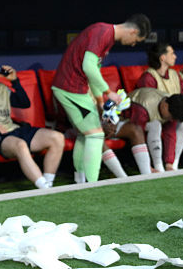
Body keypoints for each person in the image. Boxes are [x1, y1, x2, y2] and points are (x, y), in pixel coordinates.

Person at [51, 14, 150, 183]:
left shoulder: (107, 37)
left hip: (76, 88)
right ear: (133, 32)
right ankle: (93, 186)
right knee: (96, 135)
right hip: (70, 88)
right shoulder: (102, 32)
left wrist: (99, 100)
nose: (133, 44)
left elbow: (94, 69)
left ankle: (80, 181)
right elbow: (88, 67)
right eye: (136, 40)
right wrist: (108, 91)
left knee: (86, 134)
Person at [0, 50, 64, 189]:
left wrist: (14, 81)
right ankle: (45, 188)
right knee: (21, 145)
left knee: (57, 137)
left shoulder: (1, 87)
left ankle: (48, 184)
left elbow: (24, 103)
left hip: (15, 129)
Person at [126, 88, 183, 173]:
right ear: (165, 106)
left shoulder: (172, 105)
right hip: (123, 121)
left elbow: (170, 134)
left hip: (144, 121)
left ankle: (173, 165)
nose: (171, 120)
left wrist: (169, 163)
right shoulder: (143, 106)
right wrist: (147, 166)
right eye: (171, 117)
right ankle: (157, 166)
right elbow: (137, 135)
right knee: (155, 125)